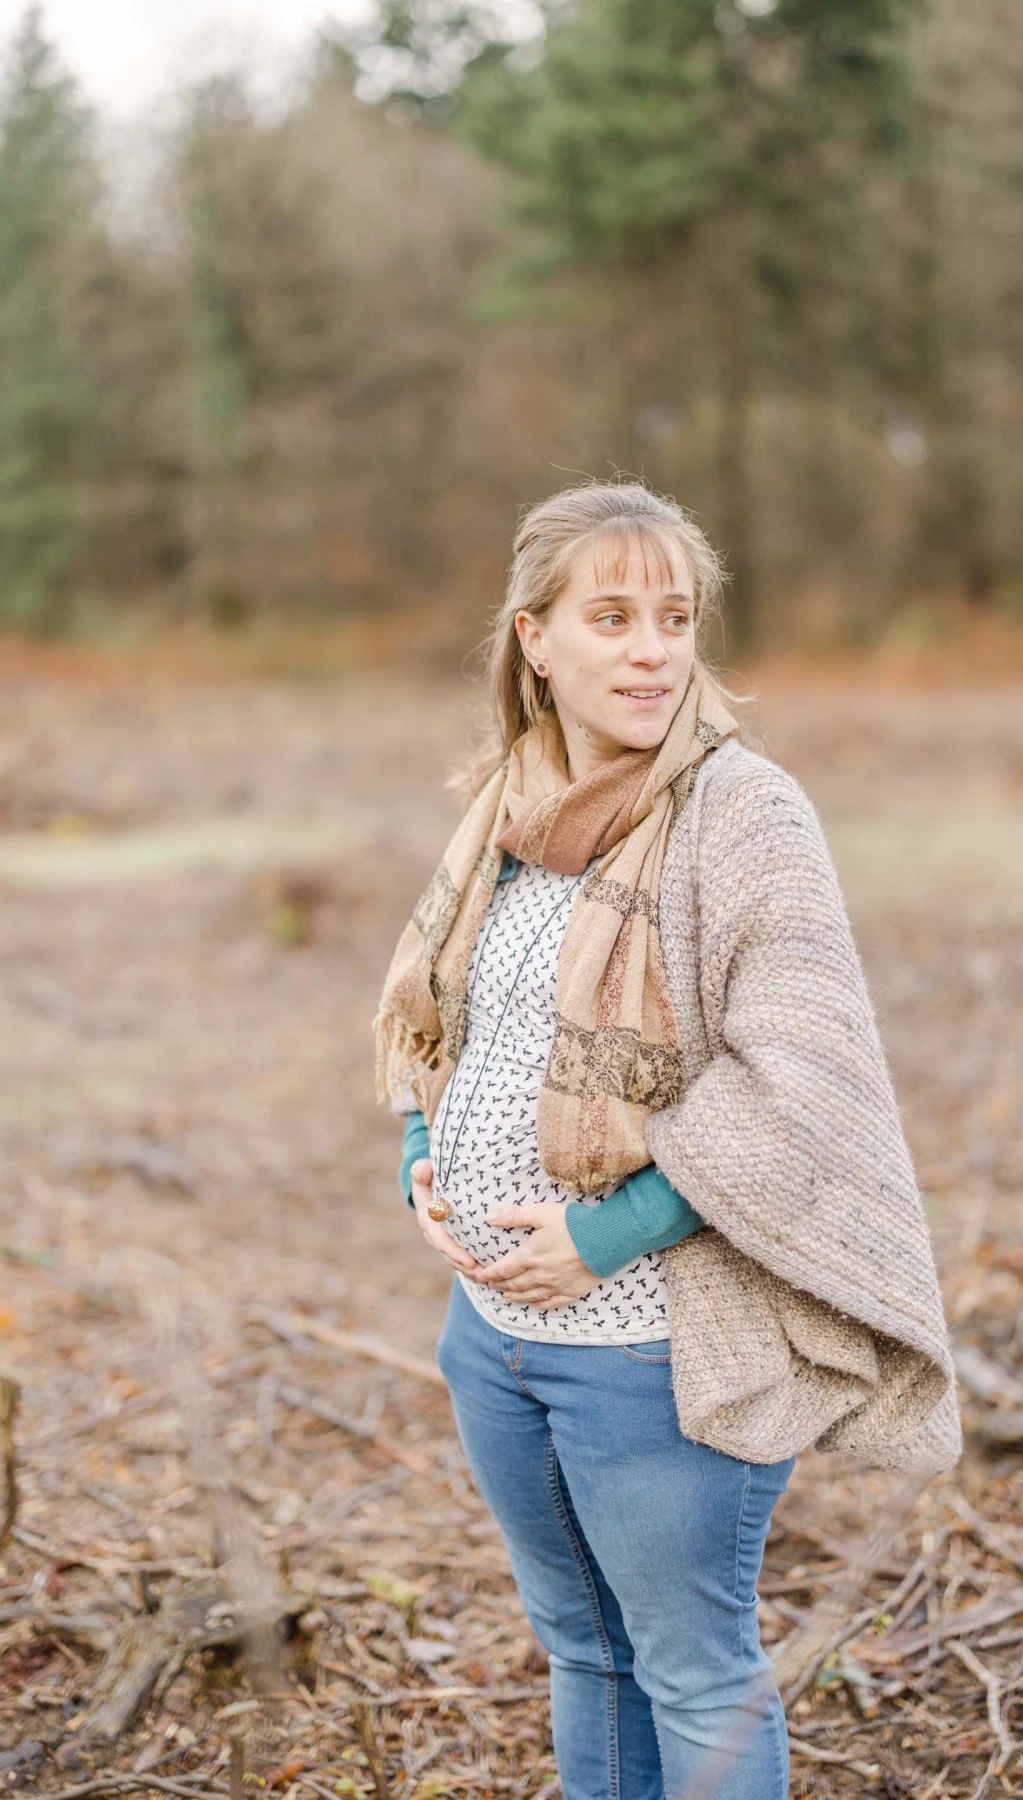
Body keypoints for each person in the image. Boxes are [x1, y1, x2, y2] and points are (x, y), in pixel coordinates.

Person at [374, 479, 960, 1800]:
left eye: (676, 617)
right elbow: (444, 1020)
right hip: (491, 1340)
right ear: (536, 637)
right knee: (581, 1653)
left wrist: (602, 1234)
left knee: (694, 1669)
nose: (651, 648)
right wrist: (421, 1154)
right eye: (614, 616)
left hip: (650, 1344)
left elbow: (794, 1084)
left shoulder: (741, 816)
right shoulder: (508, 814)